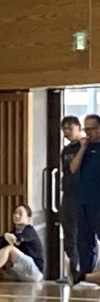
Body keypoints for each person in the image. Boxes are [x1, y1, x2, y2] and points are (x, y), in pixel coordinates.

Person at [0, 205, 44, 283]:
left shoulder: (30, 231)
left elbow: (15, 240)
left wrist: (7, 236)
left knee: (9, 248)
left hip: (35, 271)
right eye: (15, 213)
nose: (16, 215)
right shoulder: (13, 232)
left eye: (20, 214)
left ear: (28, 219)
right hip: (21, 273)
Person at [69, 113, 100, 276]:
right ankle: (85, 275)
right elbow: (73, 168)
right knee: (84, 242)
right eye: (85, 129)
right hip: (83, 201)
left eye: (91, 129)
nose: (88, 133)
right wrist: (82, 148)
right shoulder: (84, 148)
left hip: (98, 202)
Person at [59, 116, 82, 279]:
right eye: (64, 129)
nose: (67, 132)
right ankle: (74, 271)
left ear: (79, 128)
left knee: (82, 236)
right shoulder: (66, 150)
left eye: (70, 128)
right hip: (67, 195)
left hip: (82, 196)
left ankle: (84, 271)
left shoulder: (87, 147)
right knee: (69, 235)